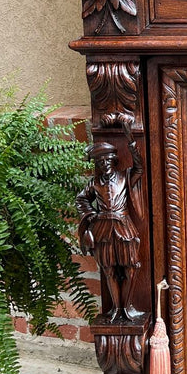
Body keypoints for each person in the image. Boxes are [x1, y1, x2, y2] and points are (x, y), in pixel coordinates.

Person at [76, 122, 143, 322]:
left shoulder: (125, 176)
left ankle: (128, 307)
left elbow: (139, 167)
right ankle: (116, 308)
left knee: (130, 266)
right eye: (100, 162)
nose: (104, 164)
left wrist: (130, 140)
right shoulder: (94, 183)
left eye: (107, 160)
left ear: (113, 160)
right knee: (108, 268)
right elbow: (81, 199)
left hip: (123, 226)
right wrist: (91, 214)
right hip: (104, 229)